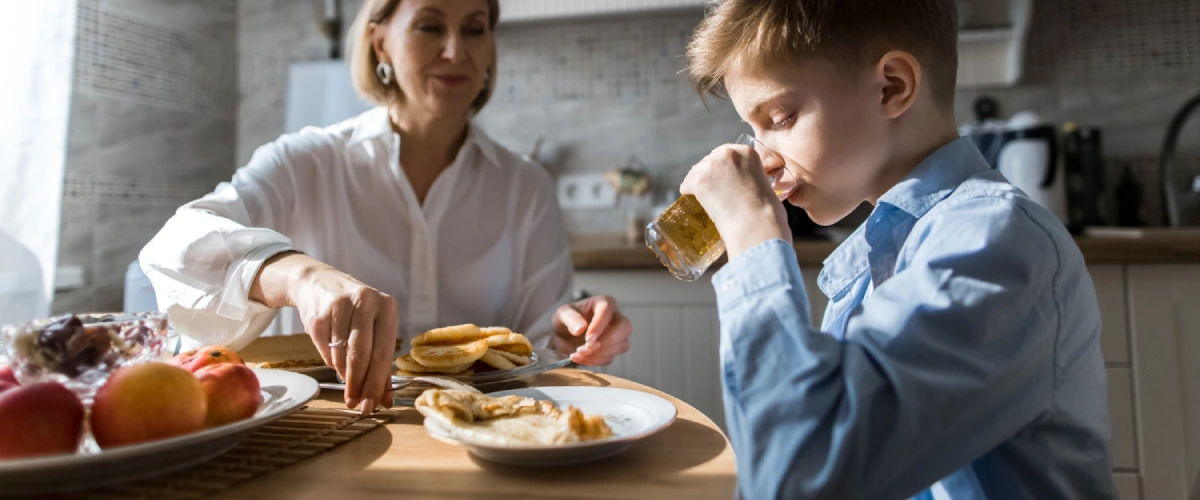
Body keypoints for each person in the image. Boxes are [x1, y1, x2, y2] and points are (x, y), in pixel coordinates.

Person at [679, 1, 1114, 499]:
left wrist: (752, 235)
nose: (764, 159)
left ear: (893, 87)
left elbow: (799, 478)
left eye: (780, 117)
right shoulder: (878, 252)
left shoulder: (994, 243)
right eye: (754, 132)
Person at [139, 0, 631, 414]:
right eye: (430, 25)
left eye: (475, 29)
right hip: (320, 432)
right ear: (380, 42)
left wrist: (573, 334)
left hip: (485, 439)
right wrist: (297, 276)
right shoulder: (306, 160)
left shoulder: (526, 187)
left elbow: (541, 342)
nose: (456, 50)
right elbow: (175, 246)